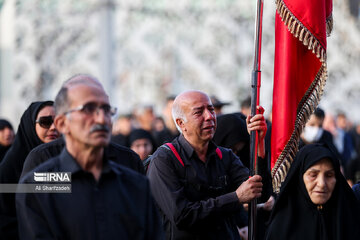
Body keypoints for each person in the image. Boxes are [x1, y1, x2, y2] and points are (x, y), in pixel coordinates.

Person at [16, 75, 164, 239]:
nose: (101, 119)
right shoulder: (37, 184)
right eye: (88, 109)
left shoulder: (136, 184)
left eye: (106, 110)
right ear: (62, 123)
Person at [147, 90, 270, 240]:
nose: (210, 117)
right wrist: (235, 197)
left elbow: (259, 194)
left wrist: (259, 144)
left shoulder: (225, 156)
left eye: (211, 110)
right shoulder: (164, 160)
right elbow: (182, 216)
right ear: (181, 123)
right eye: (199, 112)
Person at [265, 143, 360, 240]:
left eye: (329, 175)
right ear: (300, 177)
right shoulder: (281, 226)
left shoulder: (350, 219)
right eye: (313, 175)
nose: (322, 183)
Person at [0, 101, 60, 239]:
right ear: (30, 126)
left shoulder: (71, 158)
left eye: (59, 121)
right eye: (45, 122)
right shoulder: (11, 166)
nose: (53, 127)